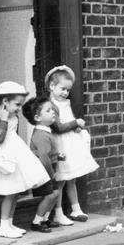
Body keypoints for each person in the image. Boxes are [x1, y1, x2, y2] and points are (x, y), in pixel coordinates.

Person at [0, 81, 49, 239]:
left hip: (16, 153)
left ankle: (9, 223)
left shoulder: (14, 115)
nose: (19, 109)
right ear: (5, 102)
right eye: (17, 104)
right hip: (3, 156)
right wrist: (3, 119)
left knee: (16, 192)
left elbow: (14, 135)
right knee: (10, 192)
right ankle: (3, 226)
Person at [45, 65, 99, 224]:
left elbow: (67, 124)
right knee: (60, 179)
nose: (65, 93)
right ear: (52, 86)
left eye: (67, 90)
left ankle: (76, 209)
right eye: (62, 89)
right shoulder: (50, 105)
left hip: (69, 143)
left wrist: (76, 128)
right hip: (59, 144)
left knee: (72, 178)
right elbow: (58, 127)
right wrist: (75, 122)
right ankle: (58, 212)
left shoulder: (65, 103)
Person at [22, 96, 65, 233]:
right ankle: (36, 221)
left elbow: (48, 153)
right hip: (43, 172)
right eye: (48, 110)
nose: (53, 112)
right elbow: (43, 156)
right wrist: (51, 174)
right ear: (37, 117)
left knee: (55, 193)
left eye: (52, 109)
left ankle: (45, 219)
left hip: (48, 170)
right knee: (49, 195)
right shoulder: (41, 134)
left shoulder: (46, 132)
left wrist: (57, 156)